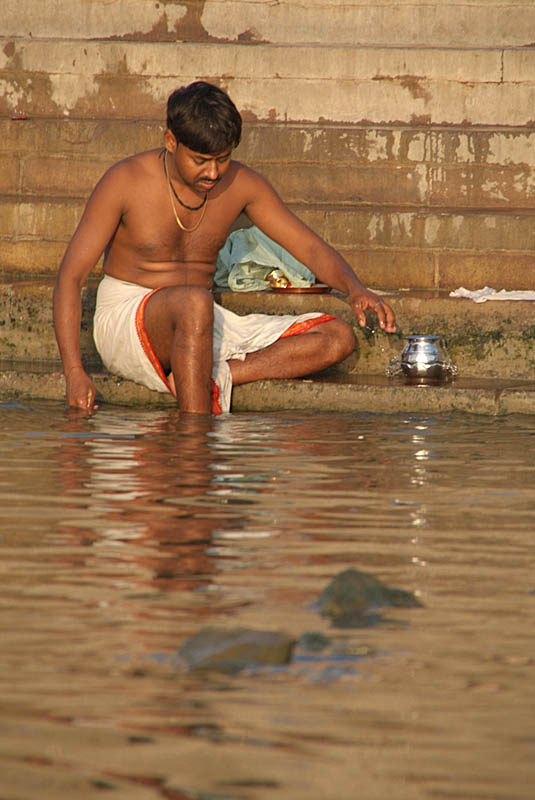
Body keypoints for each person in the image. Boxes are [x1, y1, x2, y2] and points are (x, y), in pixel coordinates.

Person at [53, 81, 396, 414]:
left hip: (203, 319)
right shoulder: (125, 181)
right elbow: (70, 278)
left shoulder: (242, 184)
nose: (214, 172)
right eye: (201, 159)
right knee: (194, 300)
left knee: (337, 337)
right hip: (128, 319)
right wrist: (74, 373)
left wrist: (354, 287)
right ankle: (195, 441)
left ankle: (220, 377)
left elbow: (308, 246)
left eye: (223, 159)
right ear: (171, 141)